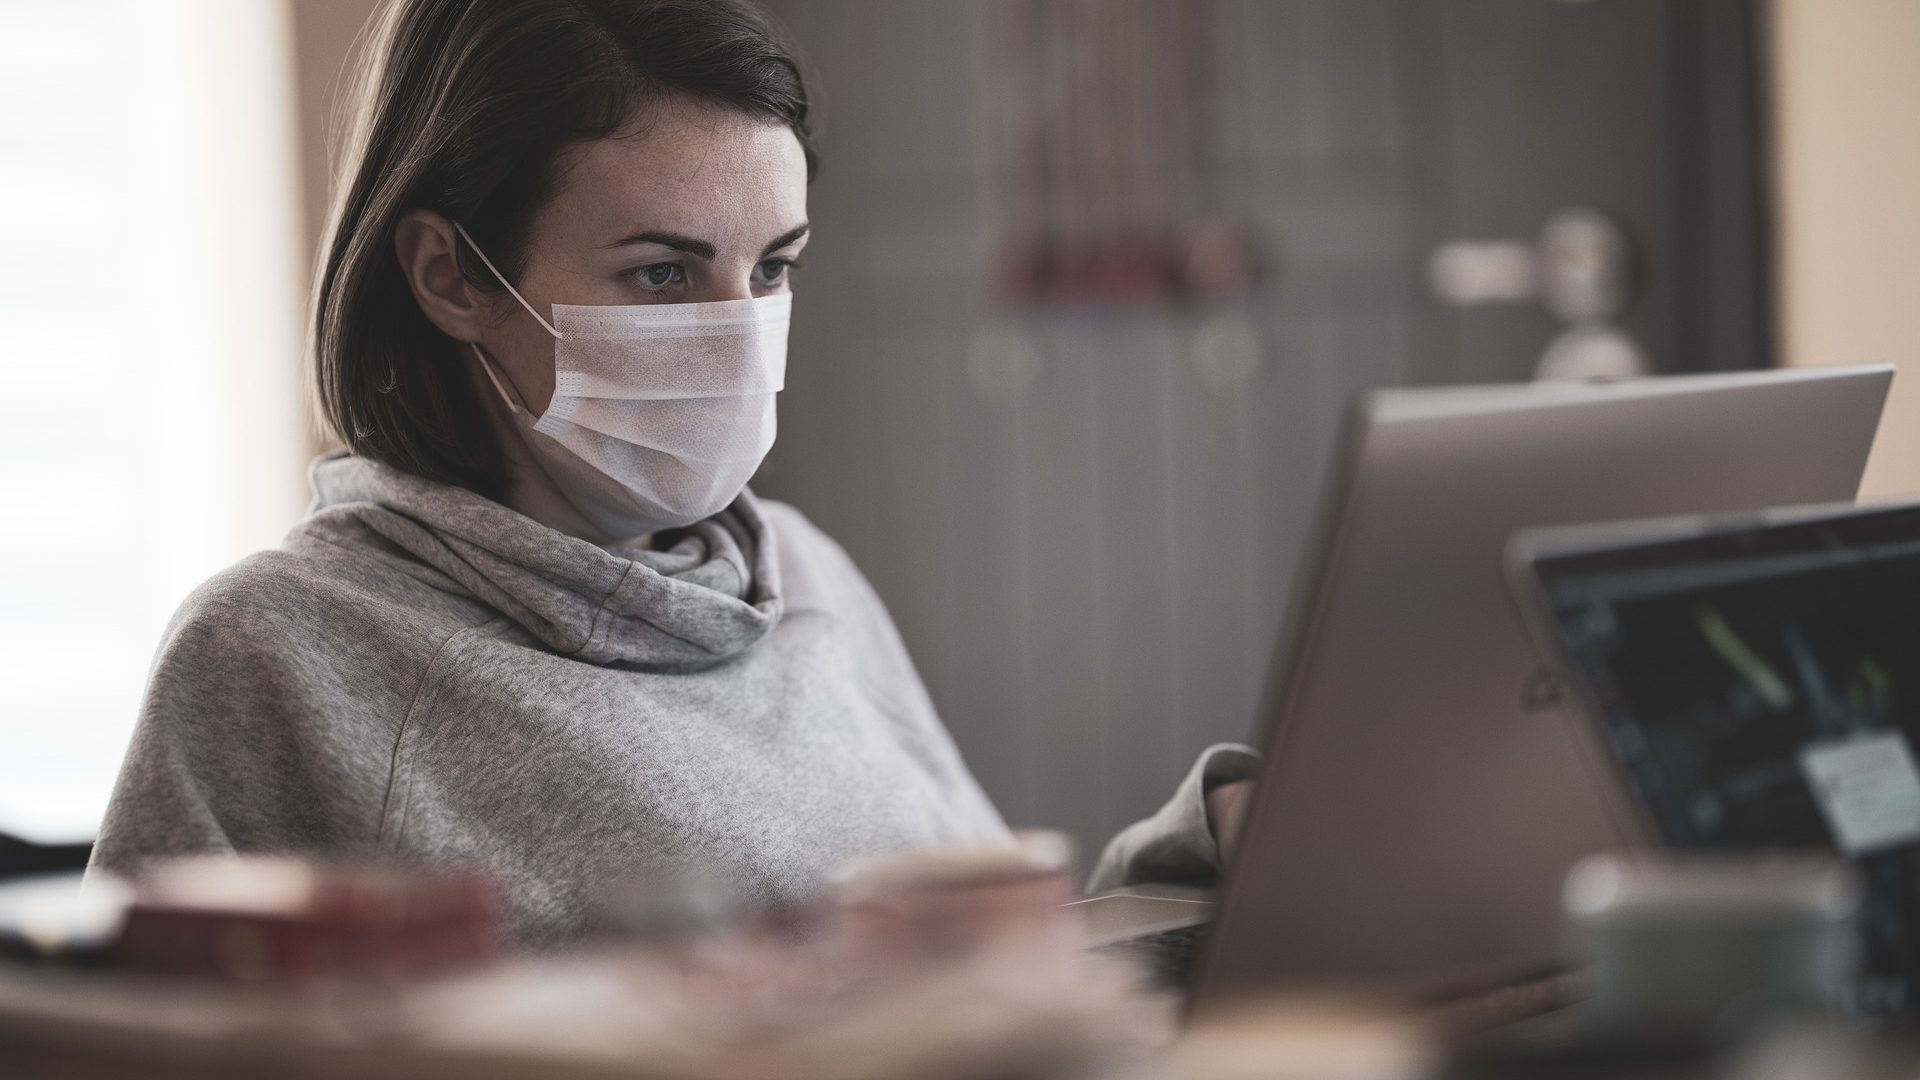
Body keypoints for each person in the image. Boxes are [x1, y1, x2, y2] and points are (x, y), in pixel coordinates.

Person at [90, 0, 1255, 945]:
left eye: (773, 269)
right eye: (660, 275)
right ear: (451, 276)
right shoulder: (280, 655)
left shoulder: (803, 574)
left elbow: (994, 970)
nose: (737, 335)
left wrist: (1209, 853)